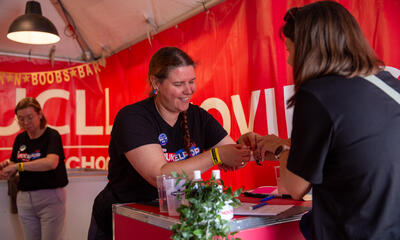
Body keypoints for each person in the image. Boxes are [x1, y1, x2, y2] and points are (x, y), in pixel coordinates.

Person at [241, 1, 400, 239]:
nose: (289, 61)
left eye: (290, 50)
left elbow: (293, 187)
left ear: (308, 50)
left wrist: (282, 148)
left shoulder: (317, 94)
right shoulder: (387, 82)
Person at [88, 46, 251, 240]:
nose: (189, 90)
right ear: (155, 82)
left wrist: (249, 147)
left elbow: (232, 155)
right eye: (179, 83)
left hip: (170, 219)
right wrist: (217, 155)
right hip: (123, 217)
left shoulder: (198, 116)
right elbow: (159, 176)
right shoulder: (133, 117)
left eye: (192, 81)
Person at [0, 97, 68, 240]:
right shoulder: (20, 139)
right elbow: (14, 164)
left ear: (40, 114)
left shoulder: (51, 135)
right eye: (21, 119)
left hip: (50, 198)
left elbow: (51, 163)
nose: (25, 123)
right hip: (24, 198)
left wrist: (19, 166)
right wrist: (6, 168)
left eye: (30, 117)